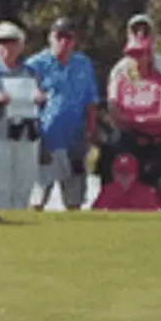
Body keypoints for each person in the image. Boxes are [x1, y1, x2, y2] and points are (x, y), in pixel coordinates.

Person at [25, 18, 99, 211]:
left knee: (74, 197)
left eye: (69, 37)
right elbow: (21, 95)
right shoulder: (35, 64)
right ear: (50, 37)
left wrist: (90, 132)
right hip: (46, 138)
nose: (63, 42)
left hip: (75, 137)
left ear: (75, 41)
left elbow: (91, 102)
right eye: (59, 36)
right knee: (38, 198)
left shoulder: (83, 64)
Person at [0, 22, 46, 211]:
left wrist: (40, 98)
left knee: (24, 183)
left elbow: (41, 99)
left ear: (20, 46)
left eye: (12, 42)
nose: (7, 47)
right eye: (1, 42)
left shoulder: (31, 72)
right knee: (0, 185)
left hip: (26, 132)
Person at [108, 31, 161, 208]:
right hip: (130, 142)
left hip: (158, 143)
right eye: (132, 54)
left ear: (149, 56)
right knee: (121, 175)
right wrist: (142, 120)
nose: (135, 59)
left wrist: (133, 119)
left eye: (140, 54)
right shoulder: (121, 82)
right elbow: (115, 113)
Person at [90, 153, 161, 212]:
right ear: (113, 174)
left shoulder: (147, 193)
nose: (123, 177)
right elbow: (95, 215)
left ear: (135, 174)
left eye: (127, 173)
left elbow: (156, 216)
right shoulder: (107, 191)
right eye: (120, 173)